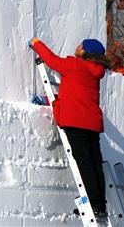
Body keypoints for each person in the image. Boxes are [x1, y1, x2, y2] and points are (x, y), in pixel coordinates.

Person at [29, 37, 109, 221]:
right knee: (95, 164)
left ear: (85, 52)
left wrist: (36, 43)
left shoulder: (75, 65)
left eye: (80, 45)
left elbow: (51, 60)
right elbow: (75, 94)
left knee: (85, 164)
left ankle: (94, 207)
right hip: (92, 123)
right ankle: (100, 207)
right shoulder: (95, 71)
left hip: (76, 122)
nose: (77, 46)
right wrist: (47, 100)